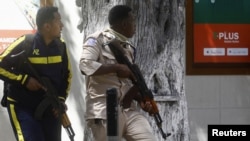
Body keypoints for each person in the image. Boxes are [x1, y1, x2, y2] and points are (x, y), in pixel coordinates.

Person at [79, 5, 156, 141]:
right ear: (124, 24)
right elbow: (85, 65)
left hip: (128, 110)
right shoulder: (98, 39)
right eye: (133, 21)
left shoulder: (128, 48)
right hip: (105, 110)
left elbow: (126, 83)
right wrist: (115, 68)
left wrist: (140, 99)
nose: (135, 25)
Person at [0, 6, 72, 141]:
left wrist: (60, 100)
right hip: (22, 106)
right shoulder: (26, 43)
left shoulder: (61, 47)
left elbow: (67, 76)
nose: (62, 25)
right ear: (47, 26)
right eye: (58, 21)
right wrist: (24, 80)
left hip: (50, 107)